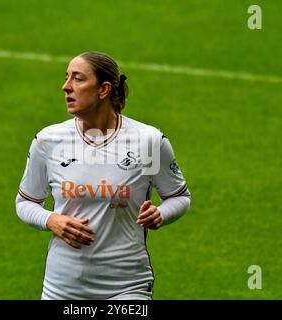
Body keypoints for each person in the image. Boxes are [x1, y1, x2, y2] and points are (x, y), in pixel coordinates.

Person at [15, 51, 191, 300]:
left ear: (103, 89)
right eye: (66, 78)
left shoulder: (148, 141)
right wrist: (51, 220)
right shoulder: (48, 141)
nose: (66, 87)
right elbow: (25, 203)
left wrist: (161, 213)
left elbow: (180, 197)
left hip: (127, 287)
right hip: (63, 288)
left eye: (77, 79)